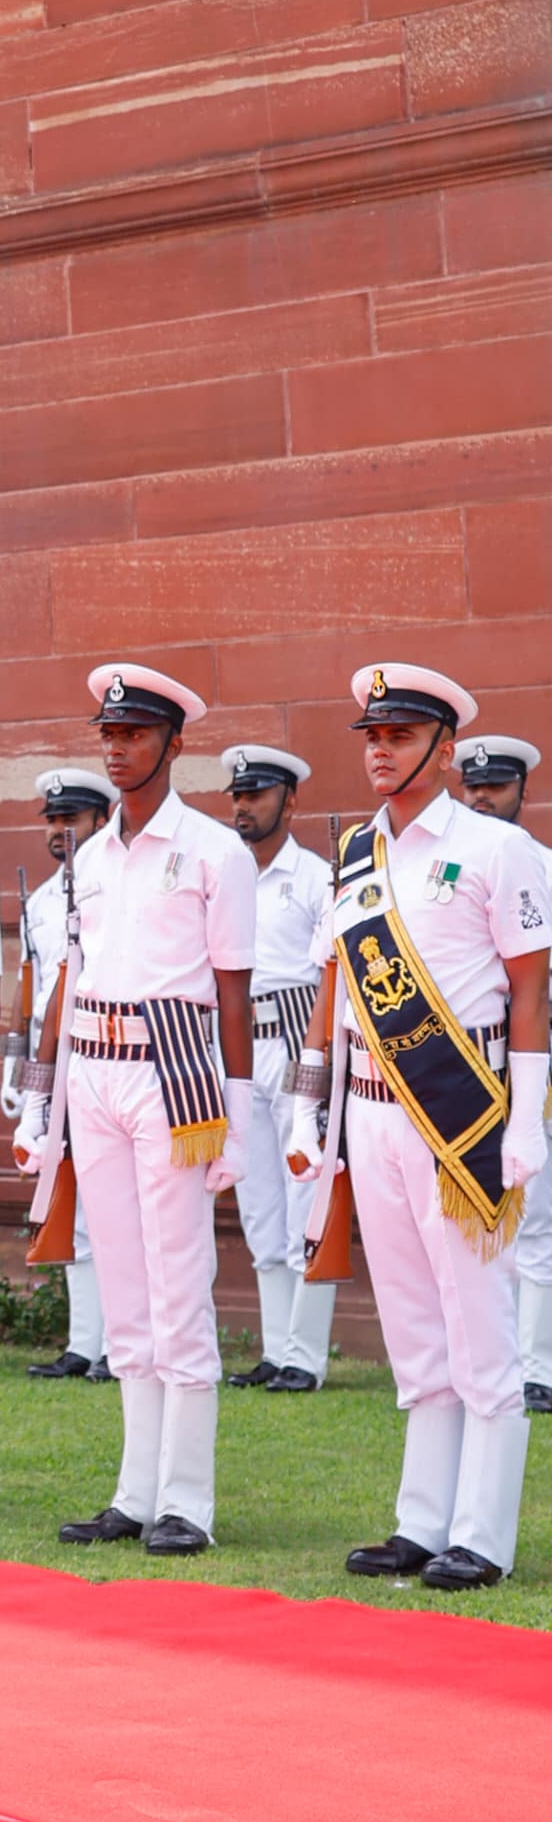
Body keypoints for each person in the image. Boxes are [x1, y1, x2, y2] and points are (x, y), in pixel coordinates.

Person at [288, 666, 548, 1589]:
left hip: (463, 1111)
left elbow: (528, 989)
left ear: (444, 749)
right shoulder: (356, 853)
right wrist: (307, 1104)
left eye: (398, 737)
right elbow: (334, 988)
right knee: (412, 1325)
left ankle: (481, 1534)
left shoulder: (495, 849)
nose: (379, 751)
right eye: (371, 736)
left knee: (479, 1326)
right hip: (372, 1110)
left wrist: (526, 1118)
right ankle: (420, 1520)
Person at [22, 666, 254, 1559]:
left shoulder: (213, 853)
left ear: (174, 742)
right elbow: (66, 981)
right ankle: (135, 1489)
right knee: (122, 1289)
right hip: (96, 1070)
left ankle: (185, 1499)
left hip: (175, 1074)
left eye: (135, 735)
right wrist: (44, 1102)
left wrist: (230, 1115)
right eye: (108, 736)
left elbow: (232, 994)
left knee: (178, 1288)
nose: (118, 749)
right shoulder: (89, 854)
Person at [219, 744, 336, 1396]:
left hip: (296, 1041)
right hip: (239, 1043)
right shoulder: (225, 874)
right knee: (258, 1204)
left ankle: (306, 1356)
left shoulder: (317, 878)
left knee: (301, 1197)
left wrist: (319, 1063)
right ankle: (273, 1348)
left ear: (289, 801)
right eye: (237, 795)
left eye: (257, 795)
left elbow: (331, 974)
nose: (243, 806)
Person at [456, 734, 552, 1413]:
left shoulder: (544, 866)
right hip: (463, 1060)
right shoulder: (451, 861)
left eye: (497, 785)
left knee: (538, 1216)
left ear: (523, 790)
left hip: (534, 1053)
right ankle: (487, 1360)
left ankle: (536, 1365)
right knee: (479, 1211)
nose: (483, 796)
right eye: (474, 785)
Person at [16, 773, 113, 1383]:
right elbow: (32, 999)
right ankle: (85, 1343)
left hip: (112, 1052)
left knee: (114, 1205)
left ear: (101, 820)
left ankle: (120, 1346)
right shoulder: (41, 900)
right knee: (71, 1207)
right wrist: (25, 1076)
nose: (59, 829)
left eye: (71, 817)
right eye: (53, 819)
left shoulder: (110, 885)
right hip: (59, 1059)